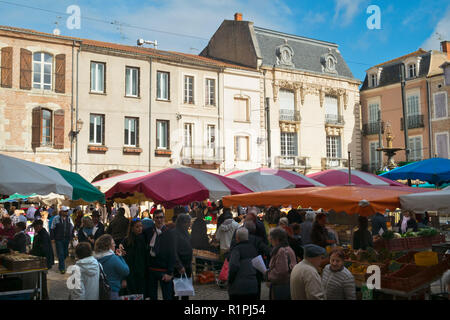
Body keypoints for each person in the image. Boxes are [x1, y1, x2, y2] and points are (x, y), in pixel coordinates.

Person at [143, 209, 176, 300]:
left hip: (164, 270)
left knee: (167, 296)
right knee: (153, 296)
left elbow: (173, 253)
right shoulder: (148, 232)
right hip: (151, 269)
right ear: (153, 219)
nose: (159, 220)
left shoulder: (169, 233)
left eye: (161, 217)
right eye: (157, 218)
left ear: (164, 218)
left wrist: (170, 272)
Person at [94, 234, 130, 300]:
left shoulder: (95, 259)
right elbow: (126, 271)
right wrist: (120, 257)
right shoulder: (113, 258)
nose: (115, 245)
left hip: (99, 290)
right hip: (112, 290)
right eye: (113, 243)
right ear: (108, 246)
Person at [228, 227, 259, 300]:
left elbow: (233, 266)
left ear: (237, 238)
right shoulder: (253, 249)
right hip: (252, 287)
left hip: (238, 288)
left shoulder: (236, 250)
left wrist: (230, 281)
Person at [266, 227, 297, 300]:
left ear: (276, 239)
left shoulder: (281, 251)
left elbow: (281, 272)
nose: (270, 240)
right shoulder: (287, 248)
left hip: (281, 286)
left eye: (271, 238)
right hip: (287, 284)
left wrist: (268, 275)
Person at [121, 218, 148, 296]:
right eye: (137, 227)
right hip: (131, 272)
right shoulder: (126, 241)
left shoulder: (143, 238)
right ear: (132, 228)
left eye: (141, 226)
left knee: (140, 293)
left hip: (141, 272)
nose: (140, 228)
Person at [30, 219, 54, 300]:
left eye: (35, 227)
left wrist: (32, 253)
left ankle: (44, 296)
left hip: (43, 261)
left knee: (42, 279)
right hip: (43, 260)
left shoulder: (43, 235)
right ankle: (42, 295)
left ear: (40, 226)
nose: (34, 228)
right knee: (41, 279)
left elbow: (43, 249)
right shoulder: (41, 233)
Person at [173, 214, 193, 300]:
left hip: (187, 266)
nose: (190, 224)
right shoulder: (175, 233)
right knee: (176, 292)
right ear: (182, 223)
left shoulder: (185, 232)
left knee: (185, 291)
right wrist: (179, 266)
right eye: (188, 222)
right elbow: (174, 251)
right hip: (179, 267)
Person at [50, 206, 74, 274]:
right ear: (61, 212)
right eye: (65, 211)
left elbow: (72, 228)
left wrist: (72, 236)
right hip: (59, 239)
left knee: (66, 253)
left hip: (66, 238)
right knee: (61, 253)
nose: (66, 212)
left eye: (67, 211)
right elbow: (52, 228)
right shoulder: (56, 218)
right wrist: (52, 238)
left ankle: (61, 263)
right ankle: (62, 268)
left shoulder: (69, 219)